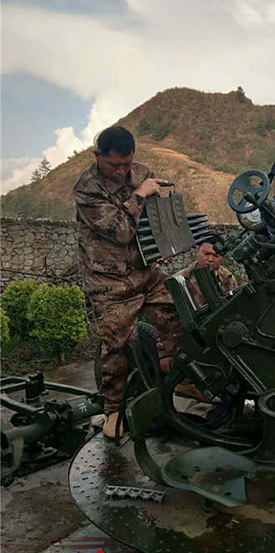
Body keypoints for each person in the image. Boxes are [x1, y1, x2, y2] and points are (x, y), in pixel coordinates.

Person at [73, 126, 180, 438]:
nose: (122, 171)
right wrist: (140, 194)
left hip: (145, 272)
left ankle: (179, 379)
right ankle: (113, 412)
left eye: (127, 164)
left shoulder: (142, 173)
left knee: (179, 317)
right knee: (118, 348)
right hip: (109, 282)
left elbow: (153, 218)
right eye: (115, 165)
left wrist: (162, 247)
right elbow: (120, 231)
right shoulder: (87, 188)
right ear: (98, 157)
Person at [180, 234, 238, 308]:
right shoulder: (181, 279)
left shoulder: (228, 278)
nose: (210, 259)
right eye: (206, 254)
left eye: (215, 256)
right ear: (197, 251)